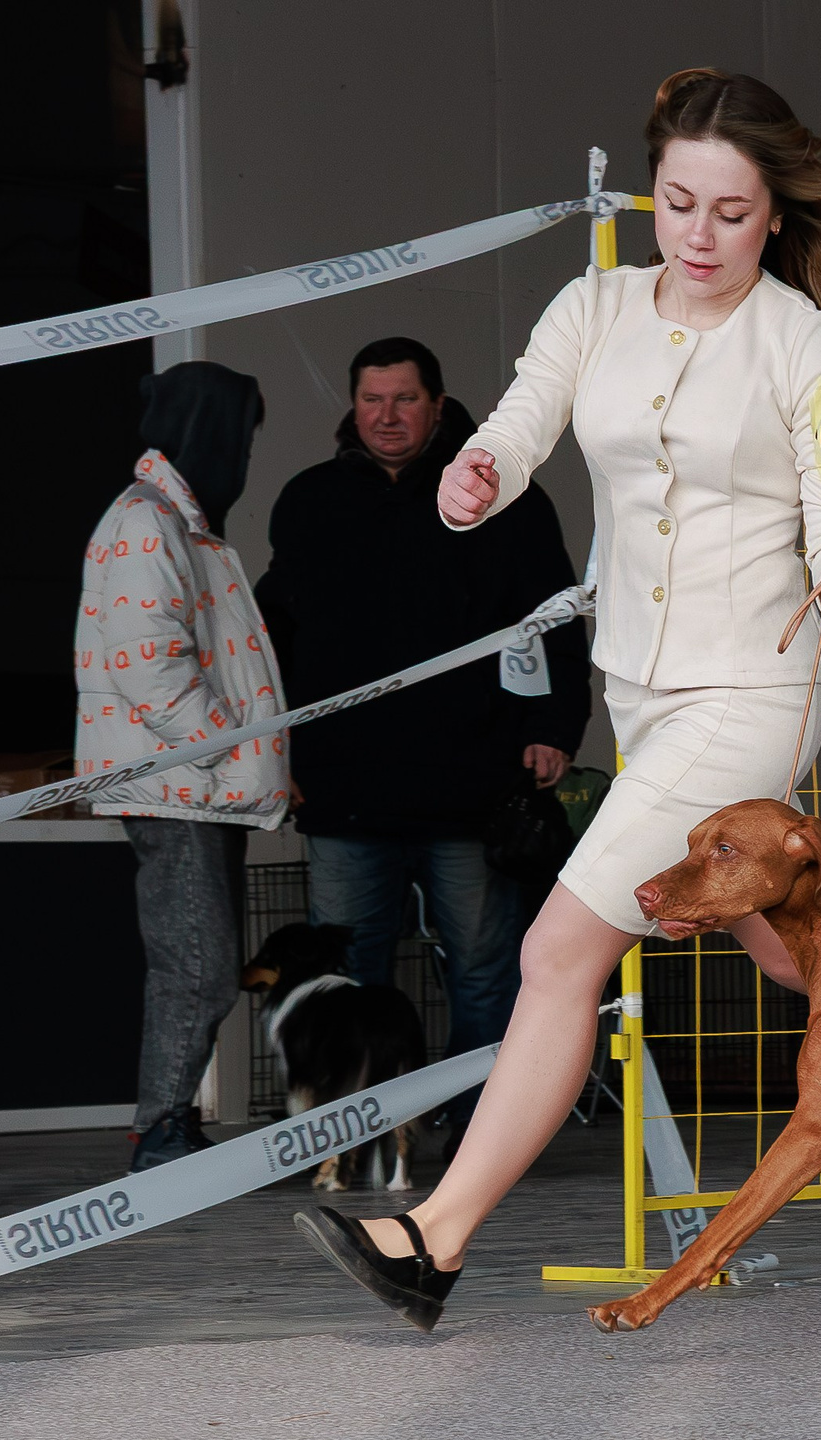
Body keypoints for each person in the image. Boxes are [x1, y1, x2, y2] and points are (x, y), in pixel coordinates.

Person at [286, 71, 821, 1332]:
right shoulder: (593, 303)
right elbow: (524, 416)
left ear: (775, 216)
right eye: (677, 203)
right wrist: (475, 472)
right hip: (640, 694)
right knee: (787, 943)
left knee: (557, 950)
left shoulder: (802, 338)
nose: (698, 236)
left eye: (730, 212)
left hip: (753, 691)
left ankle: (432, 1237)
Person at [256, 337, 590, 1126]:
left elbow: (556, 619)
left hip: (472, 786)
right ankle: (351, 1133)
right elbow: (274, 637)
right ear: (352, 405)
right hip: (341, 789)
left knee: (481, 971)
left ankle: (480, 1128)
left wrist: (554, 725)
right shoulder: (309, 500)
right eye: (372, 400)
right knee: (344, 976)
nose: (387, 416)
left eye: (405, 399)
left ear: (438, 406)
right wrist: (276, 753)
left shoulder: (504, 496)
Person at [74, 361, 290, 1171]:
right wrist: (231, 754)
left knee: (200, 965)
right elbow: (150, 663)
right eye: (243, 434)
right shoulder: (146, 521)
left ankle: (169, 1125)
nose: (244, 452)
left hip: (197, 787)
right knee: (195, 969)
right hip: (182, 789)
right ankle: (160, 1129)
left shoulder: (178, 520)